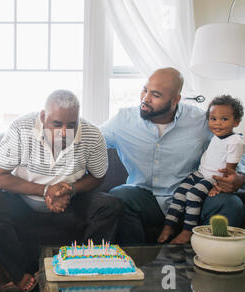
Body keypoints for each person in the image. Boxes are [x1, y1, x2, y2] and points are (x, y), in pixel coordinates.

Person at [0, 89, 123, 292]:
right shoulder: (21, 128)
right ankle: (21, 276)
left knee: (111, 206)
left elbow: (98, 177)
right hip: (24, 204)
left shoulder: (92, 134)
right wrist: (45, 190)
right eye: (57, 124)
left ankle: (81, 270)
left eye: (71, 125)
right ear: (43, 117)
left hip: (70, 204)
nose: (64, 132)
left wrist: (71, 189)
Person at [100, 68, 245, 245]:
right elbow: (90, 141)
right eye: (145, 90)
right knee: (119, 196)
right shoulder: (123, 120)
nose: (145, 99)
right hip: (146, 199)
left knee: (231, 204)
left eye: (156, 95)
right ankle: (136, 265)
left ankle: (206, 263)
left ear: (176, 99)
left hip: (192, 198)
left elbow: (232, 144)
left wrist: (240, 178)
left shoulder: (201, 121)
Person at [158, 95, 244, 244]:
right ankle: (168, 226)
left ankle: (187, 231)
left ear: (236, 122)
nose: (217, 124)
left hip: (215, 177)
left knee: (192, 195)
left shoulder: (235, 142)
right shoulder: (216, 136)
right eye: (213, 118)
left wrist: (218, 187)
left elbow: (229, 172)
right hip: (201, 173)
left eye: (224, 119)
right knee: (180, 193)